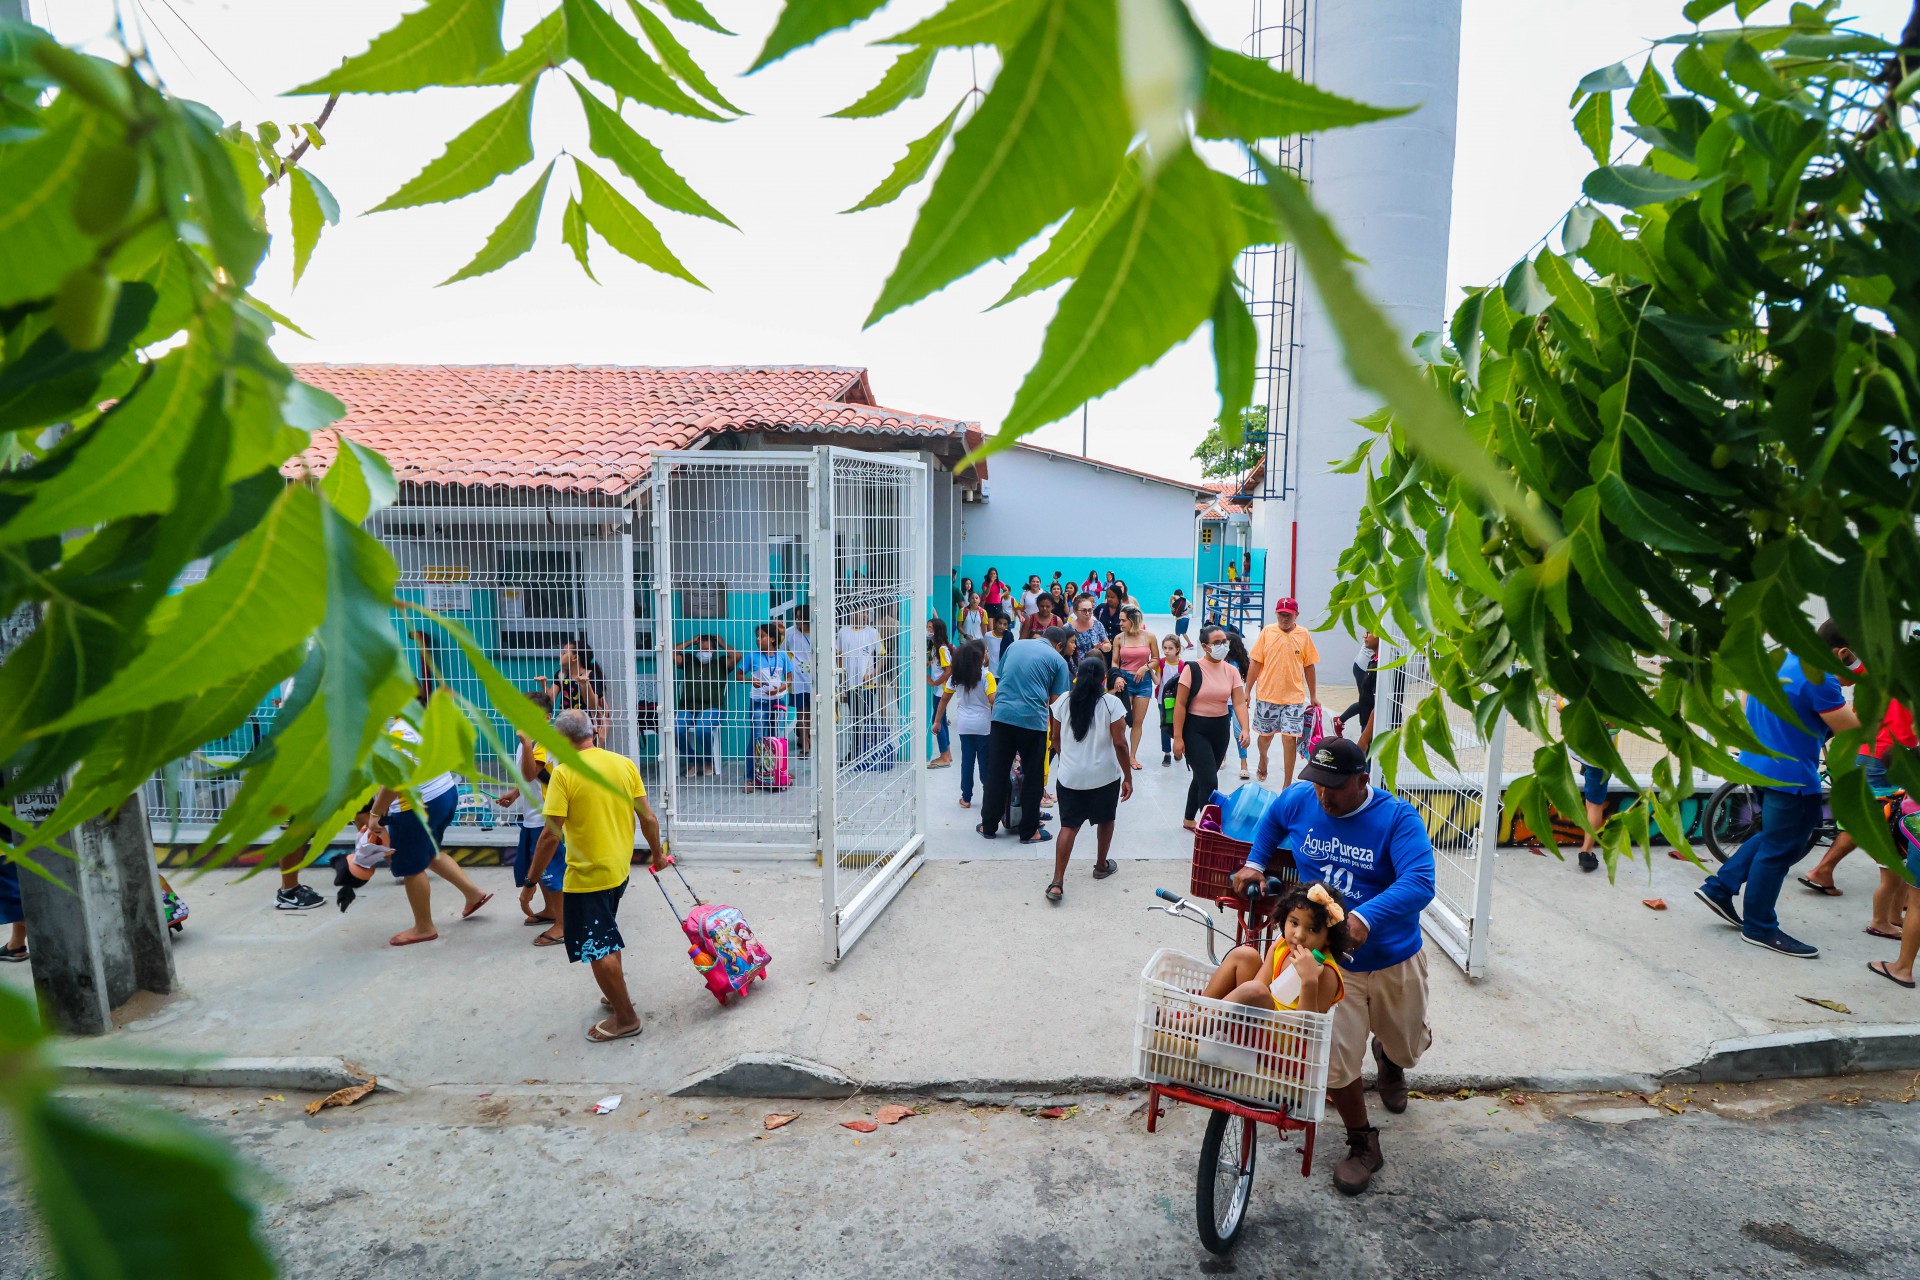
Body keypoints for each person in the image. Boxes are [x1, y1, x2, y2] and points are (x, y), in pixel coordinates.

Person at [1231, 737, 1436, 1195]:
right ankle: (1363, 1143)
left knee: (1405, 1045)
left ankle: (1391, 1060)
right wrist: (1255, 861)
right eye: (1318, 783)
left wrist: (1366, 917)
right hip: (1328, 963)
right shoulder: (1302, 798)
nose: (1323, 795)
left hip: (1392, 957)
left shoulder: (1396, 818)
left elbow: (1421, 881)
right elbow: (1273, 818)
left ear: (1362, 780)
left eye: (1335, 786)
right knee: (1335, 1059)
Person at [1695, 621, 1861, 958]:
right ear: (1843, 652)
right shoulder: (1820, 677)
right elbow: (1851, 730)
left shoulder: (1780, 656)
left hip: (1756, 765)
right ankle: (1759, 927)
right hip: (1792, 778)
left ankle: (1719, 888)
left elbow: (1752, 701)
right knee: (1779, 850)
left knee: (1773, 837)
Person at [524, 708, 669, 1043]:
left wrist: (530, 882)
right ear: (591, 732)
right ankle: (615, 993)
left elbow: (549, 836)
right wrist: (657, 854)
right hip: (618, 870)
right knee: (606, 933)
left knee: (598, 948)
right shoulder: (623, 764)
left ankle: (626, 1018)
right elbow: (648, 817)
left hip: (587, 876)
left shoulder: (564, 773)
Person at [367, 708, 493, 947]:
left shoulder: (400, 731)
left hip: (417, 807)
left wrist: (376, 813)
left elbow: (394, 779)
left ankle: (424, 927)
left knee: (411, 867)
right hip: (444, 793)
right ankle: (473, 893)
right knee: (429, 852)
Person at [1044, 657, 1132, 902]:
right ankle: (1101, 866)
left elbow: (1055, 739)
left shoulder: (1063, 701)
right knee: (1106, 819)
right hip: (1104, 777)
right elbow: (1120, 744)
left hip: (1070, 777)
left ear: (1078, 677)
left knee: (1068, 826)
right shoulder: (1111, 704)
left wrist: (1069, 761)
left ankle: (1057, 882)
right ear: (1104, 679)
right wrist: (1128, 776)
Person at [979, 626, 1073, 845]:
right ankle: (1029, 831)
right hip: (1032, 722)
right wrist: (1056, 735)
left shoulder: (1015, 646)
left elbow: (1002, 676)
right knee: (1033, 776)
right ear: (1059, 645)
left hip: (1001, 716)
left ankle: (988, 825)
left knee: (996, 771)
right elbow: (1056, 702)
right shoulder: (1058, 661)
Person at [1201, 882, 1350, 1017]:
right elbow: (1257, 987)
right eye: (1294, 923)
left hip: (1281, 1034)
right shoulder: (1281, 946)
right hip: (1259, 1018)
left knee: (1255, 989)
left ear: (1329, 937)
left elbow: (1308, 1031)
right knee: (1245, 955)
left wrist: (1309, 981)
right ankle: (1197, 1011)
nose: (1299, 935)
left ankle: (1195, 1025)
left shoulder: (1326, 972)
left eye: (1312, 929)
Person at [498, 690, 567, 942]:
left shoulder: (542, 742)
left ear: (547, 718)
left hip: (546, 817)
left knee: (552, 871)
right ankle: (550, 910)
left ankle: (564, 924)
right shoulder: (529, 741)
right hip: (532, 816)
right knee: (536, 865)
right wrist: (517, 792)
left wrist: (527, 744)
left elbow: (530, 773)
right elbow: (532, 777)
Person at [1173, 624, 1250, 830]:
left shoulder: (1231, 670)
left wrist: (1245, 728)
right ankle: (1208, 828)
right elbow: (1180, 704)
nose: (1222, 645)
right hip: (1195, 729)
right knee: (1209, 781)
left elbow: (1239, 702)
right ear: (1205, 646)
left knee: (1201, 776)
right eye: (1217, 642)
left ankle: (1189, 819)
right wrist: (1178, 737)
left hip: (1220, 729)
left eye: (1224, 641)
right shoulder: (1192, 669)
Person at [1247, 597, 1320, 787]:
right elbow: (1255, 662)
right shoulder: (1267, 632)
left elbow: (1309, 666)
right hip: (1267, 695)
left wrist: (1313, 695)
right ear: (1276, 614)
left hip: (1293, 698)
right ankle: (1263, 759)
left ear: (1297, 615)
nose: (1285, 618)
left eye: (1289, 615)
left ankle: (1287, 784)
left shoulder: (1304, 634)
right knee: (1265, 738)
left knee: (1289, 739)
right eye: (1281, 614)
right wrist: (1247, 691)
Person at [934, 639, 996, 810]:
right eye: (986, 652)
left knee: (967, 763)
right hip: (984, 727)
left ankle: (966, 798)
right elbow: (993, 701)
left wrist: (937, 721)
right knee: (985, 763)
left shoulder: (955, 677)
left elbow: (944, 699)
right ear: (980, 657)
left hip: (965, 726)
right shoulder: (987, 676)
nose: (987, 654)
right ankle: (989, 796)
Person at [673, 634, 738, 776]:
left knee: (702, 729)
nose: (703, 652)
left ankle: (708, 761)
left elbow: (737, 656)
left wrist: (721, 643)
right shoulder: (689, 661)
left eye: (707, 649)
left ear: (713, 651)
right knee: (675, 729)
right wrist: (691, 641)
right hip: (687, 708)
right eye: (701, 649)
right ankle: (693, 760)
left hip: (712, 708)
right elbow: (671, 654)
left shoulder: (721, 664)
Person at [740, 622, 794, 790]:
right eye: (757, 636)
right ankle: (750, 777)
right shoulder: (751, 656)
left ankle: (774, 774)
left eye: (761, 636)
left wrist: (782, 687)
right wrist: (750, 680)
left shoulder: (782, 656)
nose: (758, 639)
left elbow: (789, 678)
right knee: (757, 738)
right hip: (759, 701)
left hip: (778, 701)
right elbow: (739, 676)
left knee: (775, 738)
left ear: (772, 639)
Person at [1110, 606, 1159, 770]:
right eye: (1120, 620)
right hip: (1125, 681)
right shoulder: (1119, 638)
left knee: (1138, 722)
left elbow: (1156, 659)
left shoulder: (1149, 637)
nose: (1120, 623)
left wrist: (1145, 667)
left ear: (1133, 620)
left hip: (1143, 682)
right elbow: (1114, 662)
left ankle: (1132, 756)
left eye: (1123, 620)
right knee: (1122, 721)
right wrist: (1117, 676)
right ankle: (1119, 753)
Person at [837, 607, 883, 762]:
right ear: (852, 613)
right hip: (851, 683)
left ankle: (870, 750)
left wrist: (873, 674)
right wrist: (841, 679)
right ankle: (855, 751)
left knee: (869, 717)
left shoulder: (872, 632)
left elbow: (882, 657)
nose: (865, 615)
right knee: (855, 718)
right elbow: (839, 656)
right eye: (861, 612)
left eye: (866, 613)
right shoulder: (843, 632)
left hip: (868, 684)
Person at [543, 638, 605, 740]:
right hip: (564, 723)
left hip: (583, 725)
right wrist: (544, 685)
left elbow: (593, 705)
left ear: (575, 657)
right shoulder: (561, 675)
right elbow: (550, 700)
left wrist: (585, 685)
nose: (560, 655)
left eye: (564, 653)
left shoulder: (590, 675)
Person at [1335, 632, 1379, 751]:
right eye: (1367, 632)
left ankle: (1340, 721)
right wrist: (1364, 739)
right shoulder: (1373, 657)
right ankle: (1339, 721)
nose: (1364, 636)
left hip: (1367, 665)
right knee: (1366, 701)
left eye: (1368, 632)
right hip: (1362, 667)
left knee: (1367, 702)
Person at [784, 606, 815, 758]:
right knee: (801, 711)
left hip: (814, 676)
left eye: (801, 618)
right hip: (797, 677)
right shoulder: (790, 633)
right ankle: (805, 743)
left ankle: (805, 735)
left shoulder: (817, 631)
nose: (798, 622)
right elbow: (782, 651)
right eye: (796, 618)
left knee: (811, 711)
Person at [926, 615, 954, 769]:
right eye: (928, 627)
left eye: (931, 628)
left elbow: (948, 670)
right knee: (941, 721)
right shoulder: (935, 647)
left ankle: (944, 757)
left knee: (936, 722)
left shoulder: (942, 649)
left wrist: (933, 682)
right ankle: (947, 754)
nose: (928, 630)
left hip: (941, 691)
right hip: (939, 690)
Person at [1226, 628, 1254, 781]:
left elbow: (1248, 678)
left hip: (1237, 702)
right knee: (1223, 732)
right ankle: (1222, 756)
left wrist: (1247, 694)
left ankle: (1244, 763)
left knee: (1240, 733)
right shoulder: (1220, 661)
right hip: (1222, 702)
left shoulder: (1239, 662)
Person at [1156, 634, 1183, 767]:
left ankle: (1178, 749)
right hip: (1163, 700)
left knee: (1179, 725)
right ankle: (1167, 753)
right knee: (1165, 726)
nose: (1166, 651)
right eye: (1165, 648)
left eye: (1170, 648)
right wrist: (1149, 670)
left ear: (1177, 649)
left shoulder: (1182, 665)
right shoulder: (1161, 663)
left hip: (1178, 701)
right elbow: (1157, 681)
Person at [1066, 594, 1110, 676]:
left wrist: (1102, 647)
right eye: (1084, 611)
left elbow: (1108, 646)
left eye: (1090, 610)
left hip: (1095, 668)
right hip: (1075, 671)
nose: (1087, 613)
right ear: (1075, 612)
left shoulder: (1097, 624)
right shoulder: (1068, 628)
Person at [984, 611, 1015, 677]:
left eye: (1005, 624)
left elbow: (1011, 652)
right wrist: (986, 658)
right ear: (995, 623)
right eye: (1000, 623)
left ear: (1008, 625)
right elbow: (985, 648)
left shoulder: (1009, 636)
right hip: (992, 672)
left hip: (1004, 672)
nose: (1002, 626)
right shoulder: (988, 635)